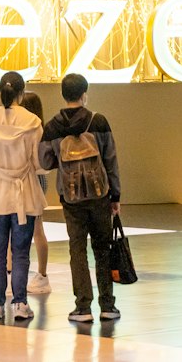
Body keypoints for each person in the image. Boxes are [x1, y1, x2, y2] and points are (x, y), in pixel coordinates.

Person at [39, 71, 122, 326]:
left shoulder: (53, 126)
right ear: (84, 94)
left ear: (64, 95)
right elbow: (110, 160)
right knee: (102, 247)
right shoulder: (99, 121)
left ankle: (82, 307)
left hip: (71, 197)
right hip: (99, 196)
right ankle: (108, 305)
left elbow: (43, 160)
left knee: (77, 249)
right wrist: (115, 195)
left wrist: (62, 163)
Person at [0, 70, 46, 325]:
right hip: (24, 194)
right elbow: (39, 163)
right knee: (21, 252)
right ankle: (20, 303)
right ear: (22, 93)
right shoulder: (33, 122)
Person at [20, 90, 51, 296]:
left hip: (30, 180)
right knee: (32, 228)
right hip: (31, 180)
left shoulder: (33, 130)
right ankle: (38, 275)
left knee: (33, 228)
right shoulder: (40, 129)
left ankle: (41, 275)